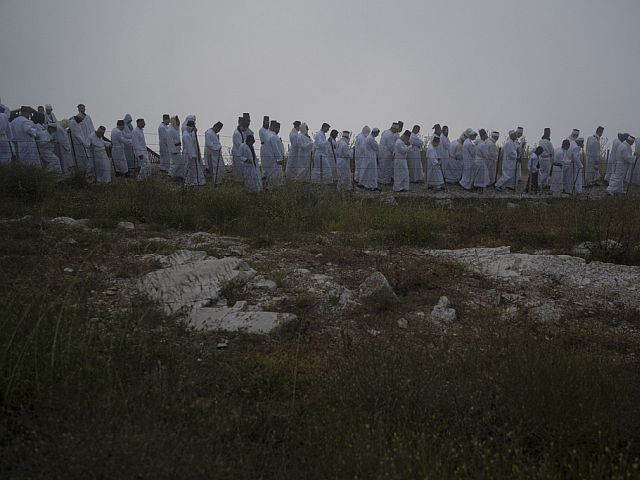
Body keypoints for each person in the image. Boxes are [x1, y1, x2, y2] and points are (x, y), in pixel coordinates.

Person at [261, 120, 284, 188]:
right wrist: (279, 159)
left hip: (266, 162)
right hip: (274, 163)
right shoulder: (273, 137)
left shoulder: (266, 135)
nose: (278, 130)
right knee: (274, 183)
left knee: (267, 179)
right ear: (274, 127)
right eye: (278, 128)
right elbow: (276, 149)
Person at [183, 120, 205, 186]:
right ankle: (196, 181)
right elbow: (189, 146)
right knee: (194, 169)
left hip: (191, 154)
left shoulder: (187, 134)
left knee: (192, 169)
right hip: (191, 155)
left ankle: (191, 181)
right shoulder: (186, 135)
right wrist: (193, 155)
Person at [232, 116, 248, 181]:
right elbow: (239, 145)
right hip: (237, 153)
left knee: (242, 168)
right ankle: (238, 180)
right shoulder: (236, 133)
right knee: (238, 168)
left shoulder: (242, 133)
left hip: (241, 152)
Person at [168, 115, 184, 179]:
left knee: (180, 163)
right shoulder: (170, 130)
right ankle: (170, 174)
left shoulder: (175, 129)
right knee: (176, 164)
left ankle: (178, 175)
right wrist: (173, 150)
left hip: (178, 149)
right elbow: (170, 141)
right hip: (174, 150)